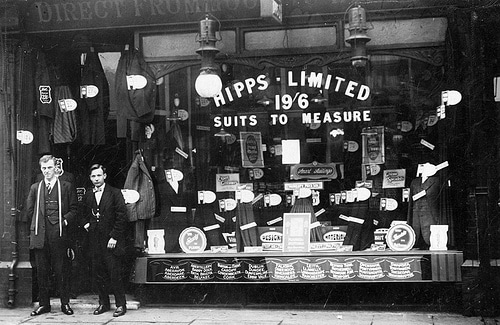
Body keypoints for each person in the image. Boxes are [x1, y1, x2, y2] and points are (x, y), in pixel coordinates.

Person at [26, 154, 78, 316]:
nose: (47, 171)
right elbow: (29, 211)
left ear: (56, 168)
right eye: (44, 168)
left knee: (61, 270)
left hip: (59, 234)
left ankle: (65, 303)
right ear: (41, 169)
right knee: (42, 271)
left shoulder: (66, 186)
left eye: (49, 167)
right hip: (40, 234)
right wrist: (39, 225)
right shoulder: (36, 187)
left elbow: (74, 209)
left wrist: (64, 222)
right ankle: (44, 305)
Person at [81, 164, 128, 317]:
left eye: (99, 175)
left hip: (111, 240)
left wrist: (114, 236)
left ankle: (121, 305)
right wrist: (87, 224)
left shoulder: (115, 193)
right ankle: (104, 304)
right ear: (90, 178)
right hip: (95, 240)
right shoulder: (88, 195)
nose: (96, 179)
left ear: (105, 176)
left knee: (114, 273)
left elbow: (122, 216)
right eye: (93, 176)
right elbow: (82, 213)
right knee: (99, 273)